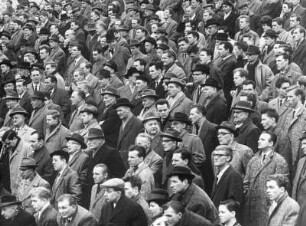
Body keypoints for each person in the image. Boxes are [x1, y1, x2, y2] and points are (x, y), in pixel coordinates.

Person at [243, 131, 289, 226]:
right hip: (251, 208)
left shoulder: (279, 161)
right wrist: (247, 195)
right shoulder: (253, 160)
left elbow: (282, 186)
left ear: (271, 143)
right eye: (259, 139)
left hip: (268, 208)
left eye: (262, 139)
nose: (259, 141)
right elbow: (246, 182)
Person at [1, 129, 33, 194]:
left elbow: (31, 169)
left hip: (23, 186)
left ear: (14, 138)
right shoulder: (9, 149)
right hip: (12, 186)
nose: (7, 146)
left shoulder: (27, 147)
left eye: (8, 143)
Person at [115, 98, 143, 166]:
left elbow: (139, 147)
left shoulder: (138, 123)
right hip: (122, 161)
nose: (118, 113)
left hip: (131, 162)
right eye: (117, 111)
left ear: (128, 109)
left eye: (120, 110)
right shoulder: (121, 125)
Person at [292, 132, 306, 206]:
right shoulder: (301, 161)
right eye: (302, 144)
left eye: (305, 144)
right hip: (298, 206)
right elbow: (295, 185)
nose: (302, 147)